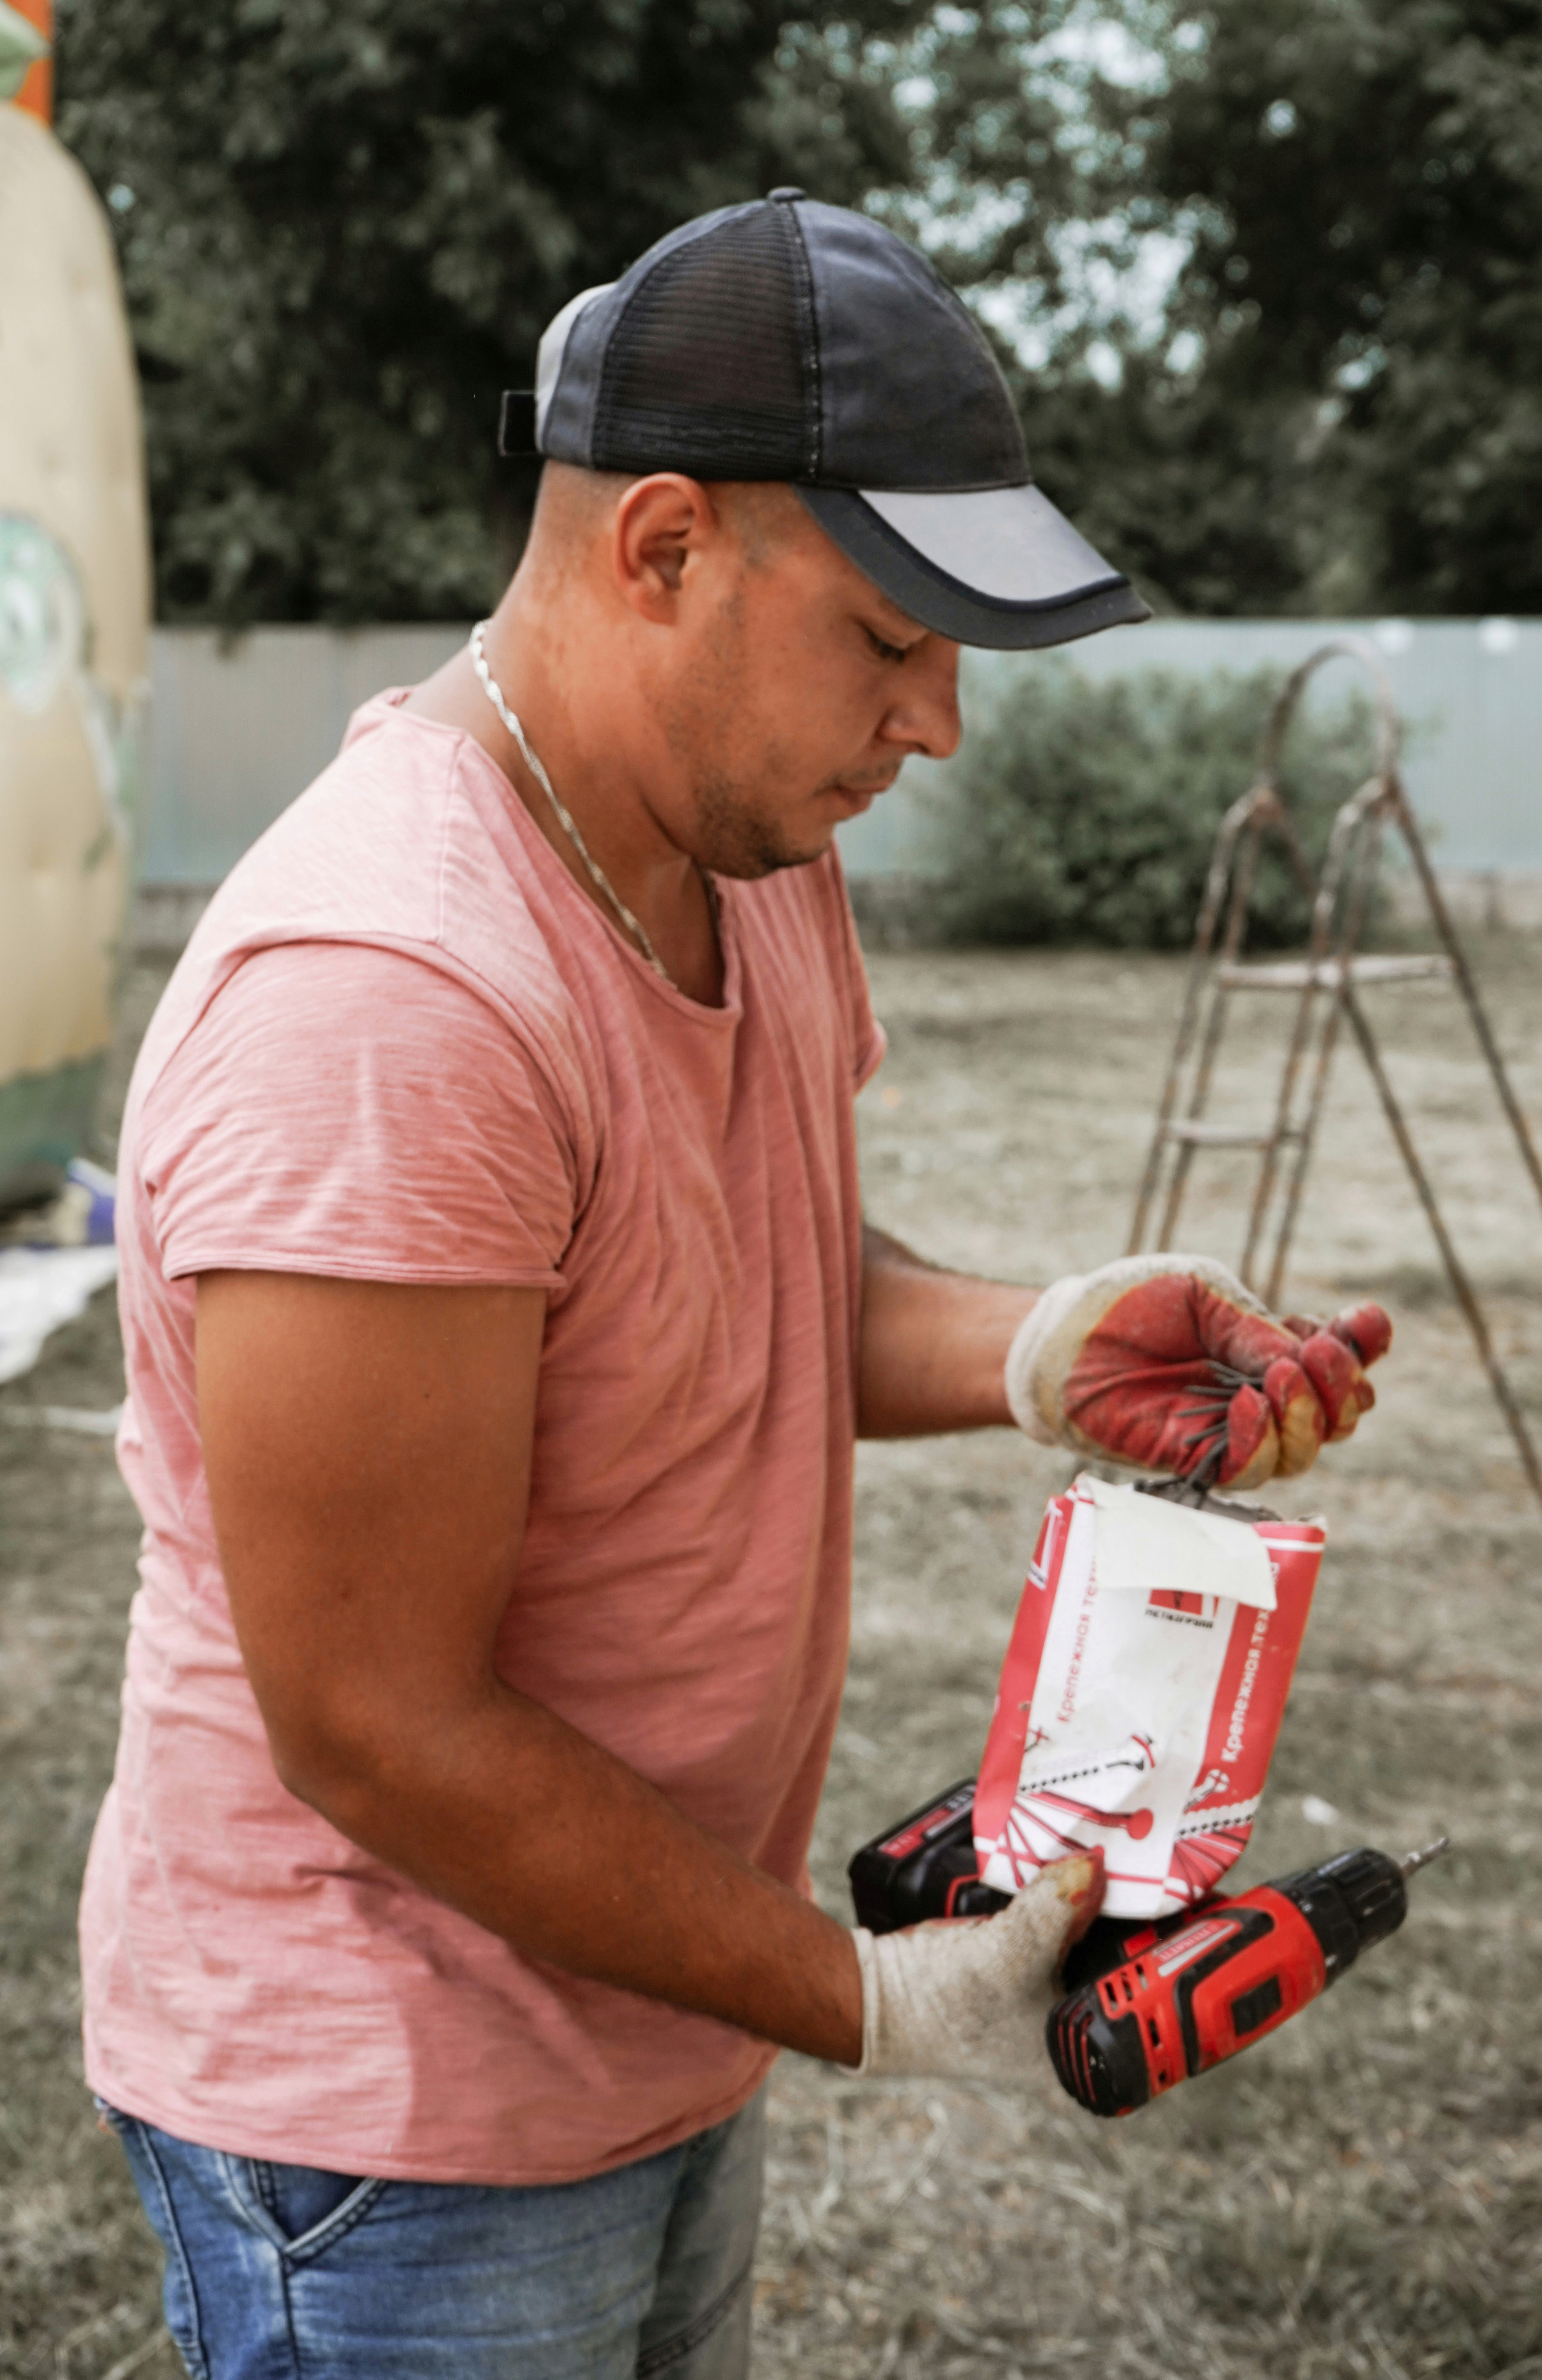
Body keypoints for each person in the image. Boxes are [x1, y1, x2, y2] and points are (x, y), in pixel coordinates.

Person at [80, 192, 1390, 2380]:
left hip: (649, 2025)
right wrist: (864, 1995)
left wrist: (1042, 1344)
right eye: (892, 640)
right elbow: (378, 1727)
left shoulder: (738, 840)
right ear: (663, 547)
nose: (942, 725)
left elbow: (733, 1280)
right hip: (396, 2137)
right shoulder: (391, 999)